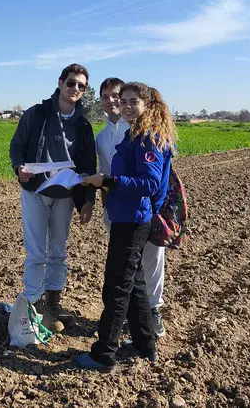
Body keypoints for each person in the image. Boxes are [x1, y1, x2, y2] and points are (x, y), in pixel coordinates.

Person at [74, 82, 177, 372]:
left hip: (133, 218)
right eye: (125, 100)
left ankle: (103, 354)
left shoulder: (147, 137)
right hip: (125, 215)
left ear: (148, 105)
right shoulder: (137, 133)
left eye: (134, 102)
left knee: (117, 287)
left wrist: (106, 181)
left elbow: (150, 183)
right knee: (135, 285)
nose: (127, 106)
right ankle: (146, 345)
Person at [9, 63, 97, 332]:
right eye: (71, 83)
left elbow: (87, 166)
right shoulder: (37, 114)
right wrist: (19, 167)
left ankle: (53, 303)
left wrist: (86, 201)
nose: (75, 89)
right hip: (36, 192)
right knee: (36, 253)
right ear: (60, 83)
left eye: (81, 86)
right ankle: (34, 305)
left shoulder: (83, 125)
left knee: (58, 251)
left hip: (64, 196)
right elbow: (17, 145)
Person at [95, 77, 167, 337]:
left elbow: (151, 177)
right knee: (131, 267)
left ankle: (153, 311)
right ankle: (139, 322)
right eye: (108, 97)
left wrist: (111, 181)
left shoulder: (147, 132)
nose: (113, 102)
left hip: (144, 209)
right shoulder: (104, 136)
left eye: (120, 97)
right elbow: (105, 172)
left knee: (151, 258)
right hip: (118, 209)